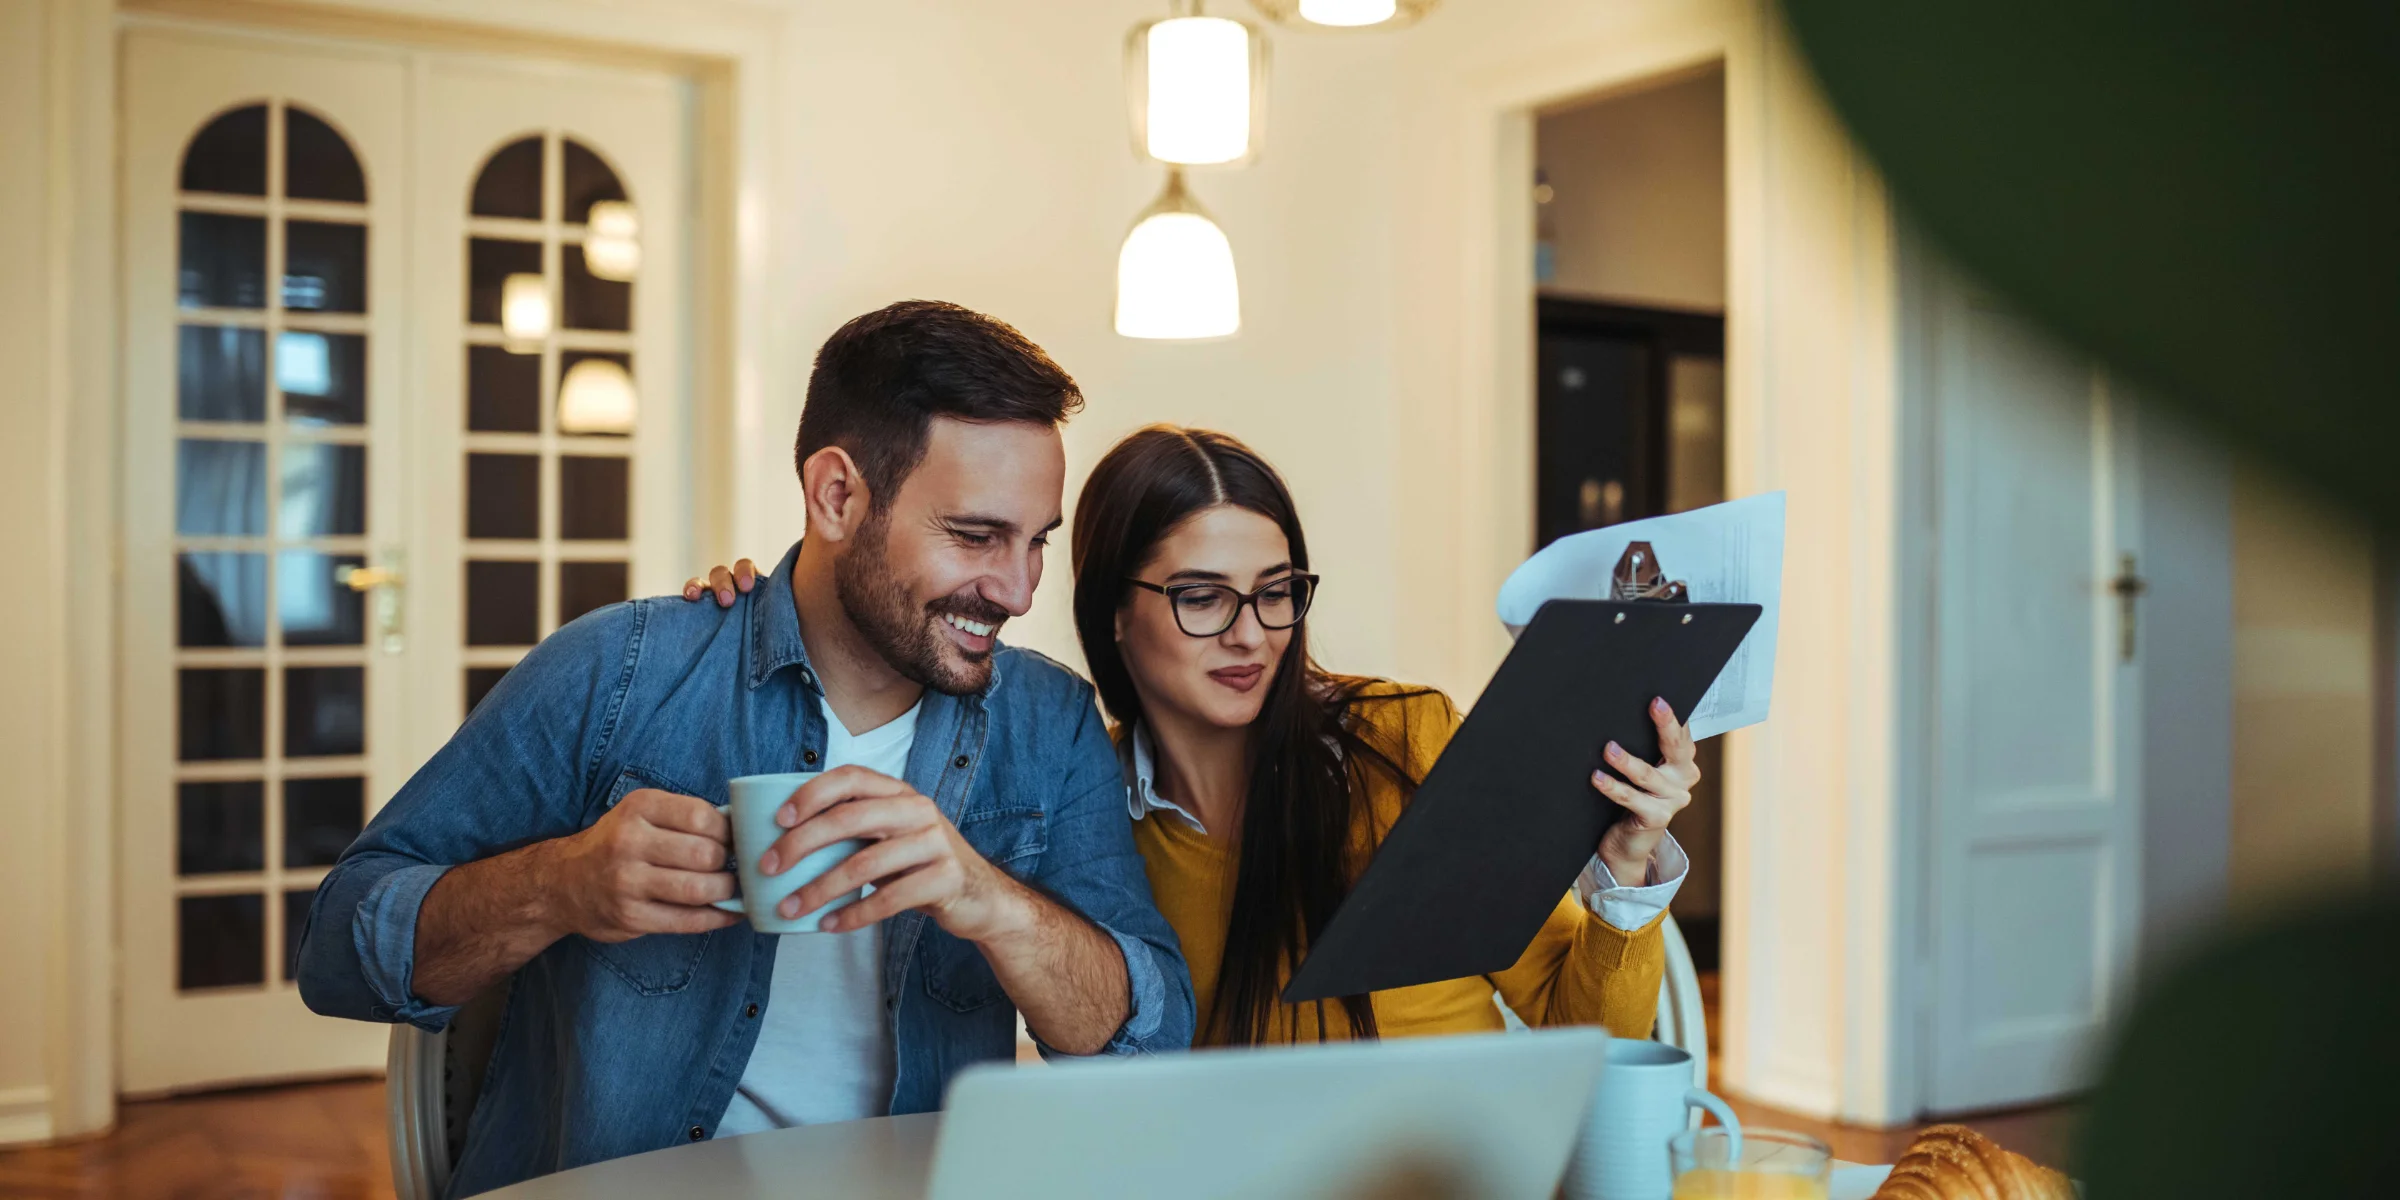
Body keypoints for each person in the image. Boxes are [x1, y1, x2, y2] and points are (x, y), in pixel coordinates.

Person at [297, 301, 1194, 1196]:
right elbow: (342, 949)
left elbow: (1150, 1038)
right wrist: (562, 885)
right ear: (836, 495)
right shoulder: (622, 674)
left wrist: (985, 897)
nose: (1017, 589)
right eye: (974, 536)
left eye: (1036, 542)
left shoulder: (1049, 723)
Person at [687, 424, 1691, 1046]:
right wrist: (763, 608)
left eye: (1276, 593)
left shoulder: (1401, 741)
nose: (1251, 634)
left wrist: (1626, 875)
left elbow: (1585, 1029)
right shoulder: (1081, 811)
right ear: (1112, 613)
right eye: (1203, 598)